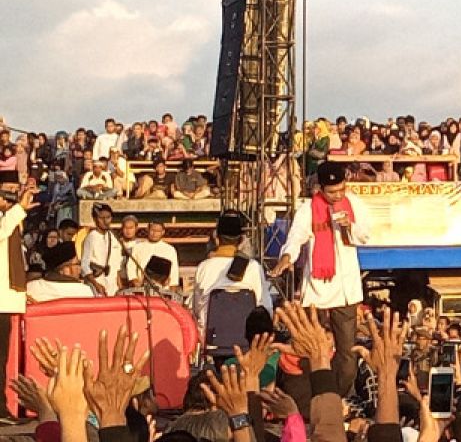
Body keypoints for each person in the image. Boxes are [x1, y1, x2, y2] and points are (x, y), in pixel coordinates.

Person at [271, 161, 371, 395]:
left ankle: (337, 399)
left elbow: (365, 235)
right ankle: (312, 400)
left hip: (347, 293)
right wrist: (286, 257)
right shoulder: (308, 209)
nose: (337, 195)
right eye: (332, 192)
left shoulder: (355, 204)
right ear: (320, 189)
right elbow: (296, 237)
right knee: (309, 352)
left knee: (347, 359)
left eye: (341, 190)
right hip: (317, 292)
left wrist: (350, 226)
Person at [192, 212, 273, 341]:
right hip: (247, 341)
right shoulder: (254, 267)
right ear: (241, 240)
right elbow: (266, 308)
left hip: (212, 341)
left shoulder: (204, 268)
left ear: (216, 238)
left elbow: (197, 310)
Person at [0, 174, 34, 421]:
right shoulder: (8, 221)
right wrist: (18, 209)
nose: (9, 197)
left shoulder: (10, 221)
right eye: (6, 192)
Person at [26, 241, 95, 302]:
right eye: (77, 264)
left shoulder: (31, 287)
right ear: (64, 270)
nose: (80, 268)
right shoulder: (84, 291)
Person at [80, 202, 122, 296]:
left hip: (112, 283)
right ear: (95, 219)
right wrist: (95, 284)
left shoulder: (113, 237)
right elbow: (84, 265)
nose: (105, 221)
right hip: (97, 282)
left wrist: (120, 285)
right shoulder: (91, 237)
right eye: (101, 218)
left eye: (108, 217)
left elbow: (116, 264)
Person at [132, 220, 181, 288]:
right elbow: (131, 267)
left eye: (158, 231)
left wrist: (172, 287)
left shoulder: (170, 249)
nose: (154, 233)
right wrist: (134, 280)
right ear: (147, 230)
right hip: (141, 288)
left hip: (162, 289)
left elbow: (174, 273)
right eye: (152, 230)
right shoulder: (138, 247)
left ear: (163, 232)